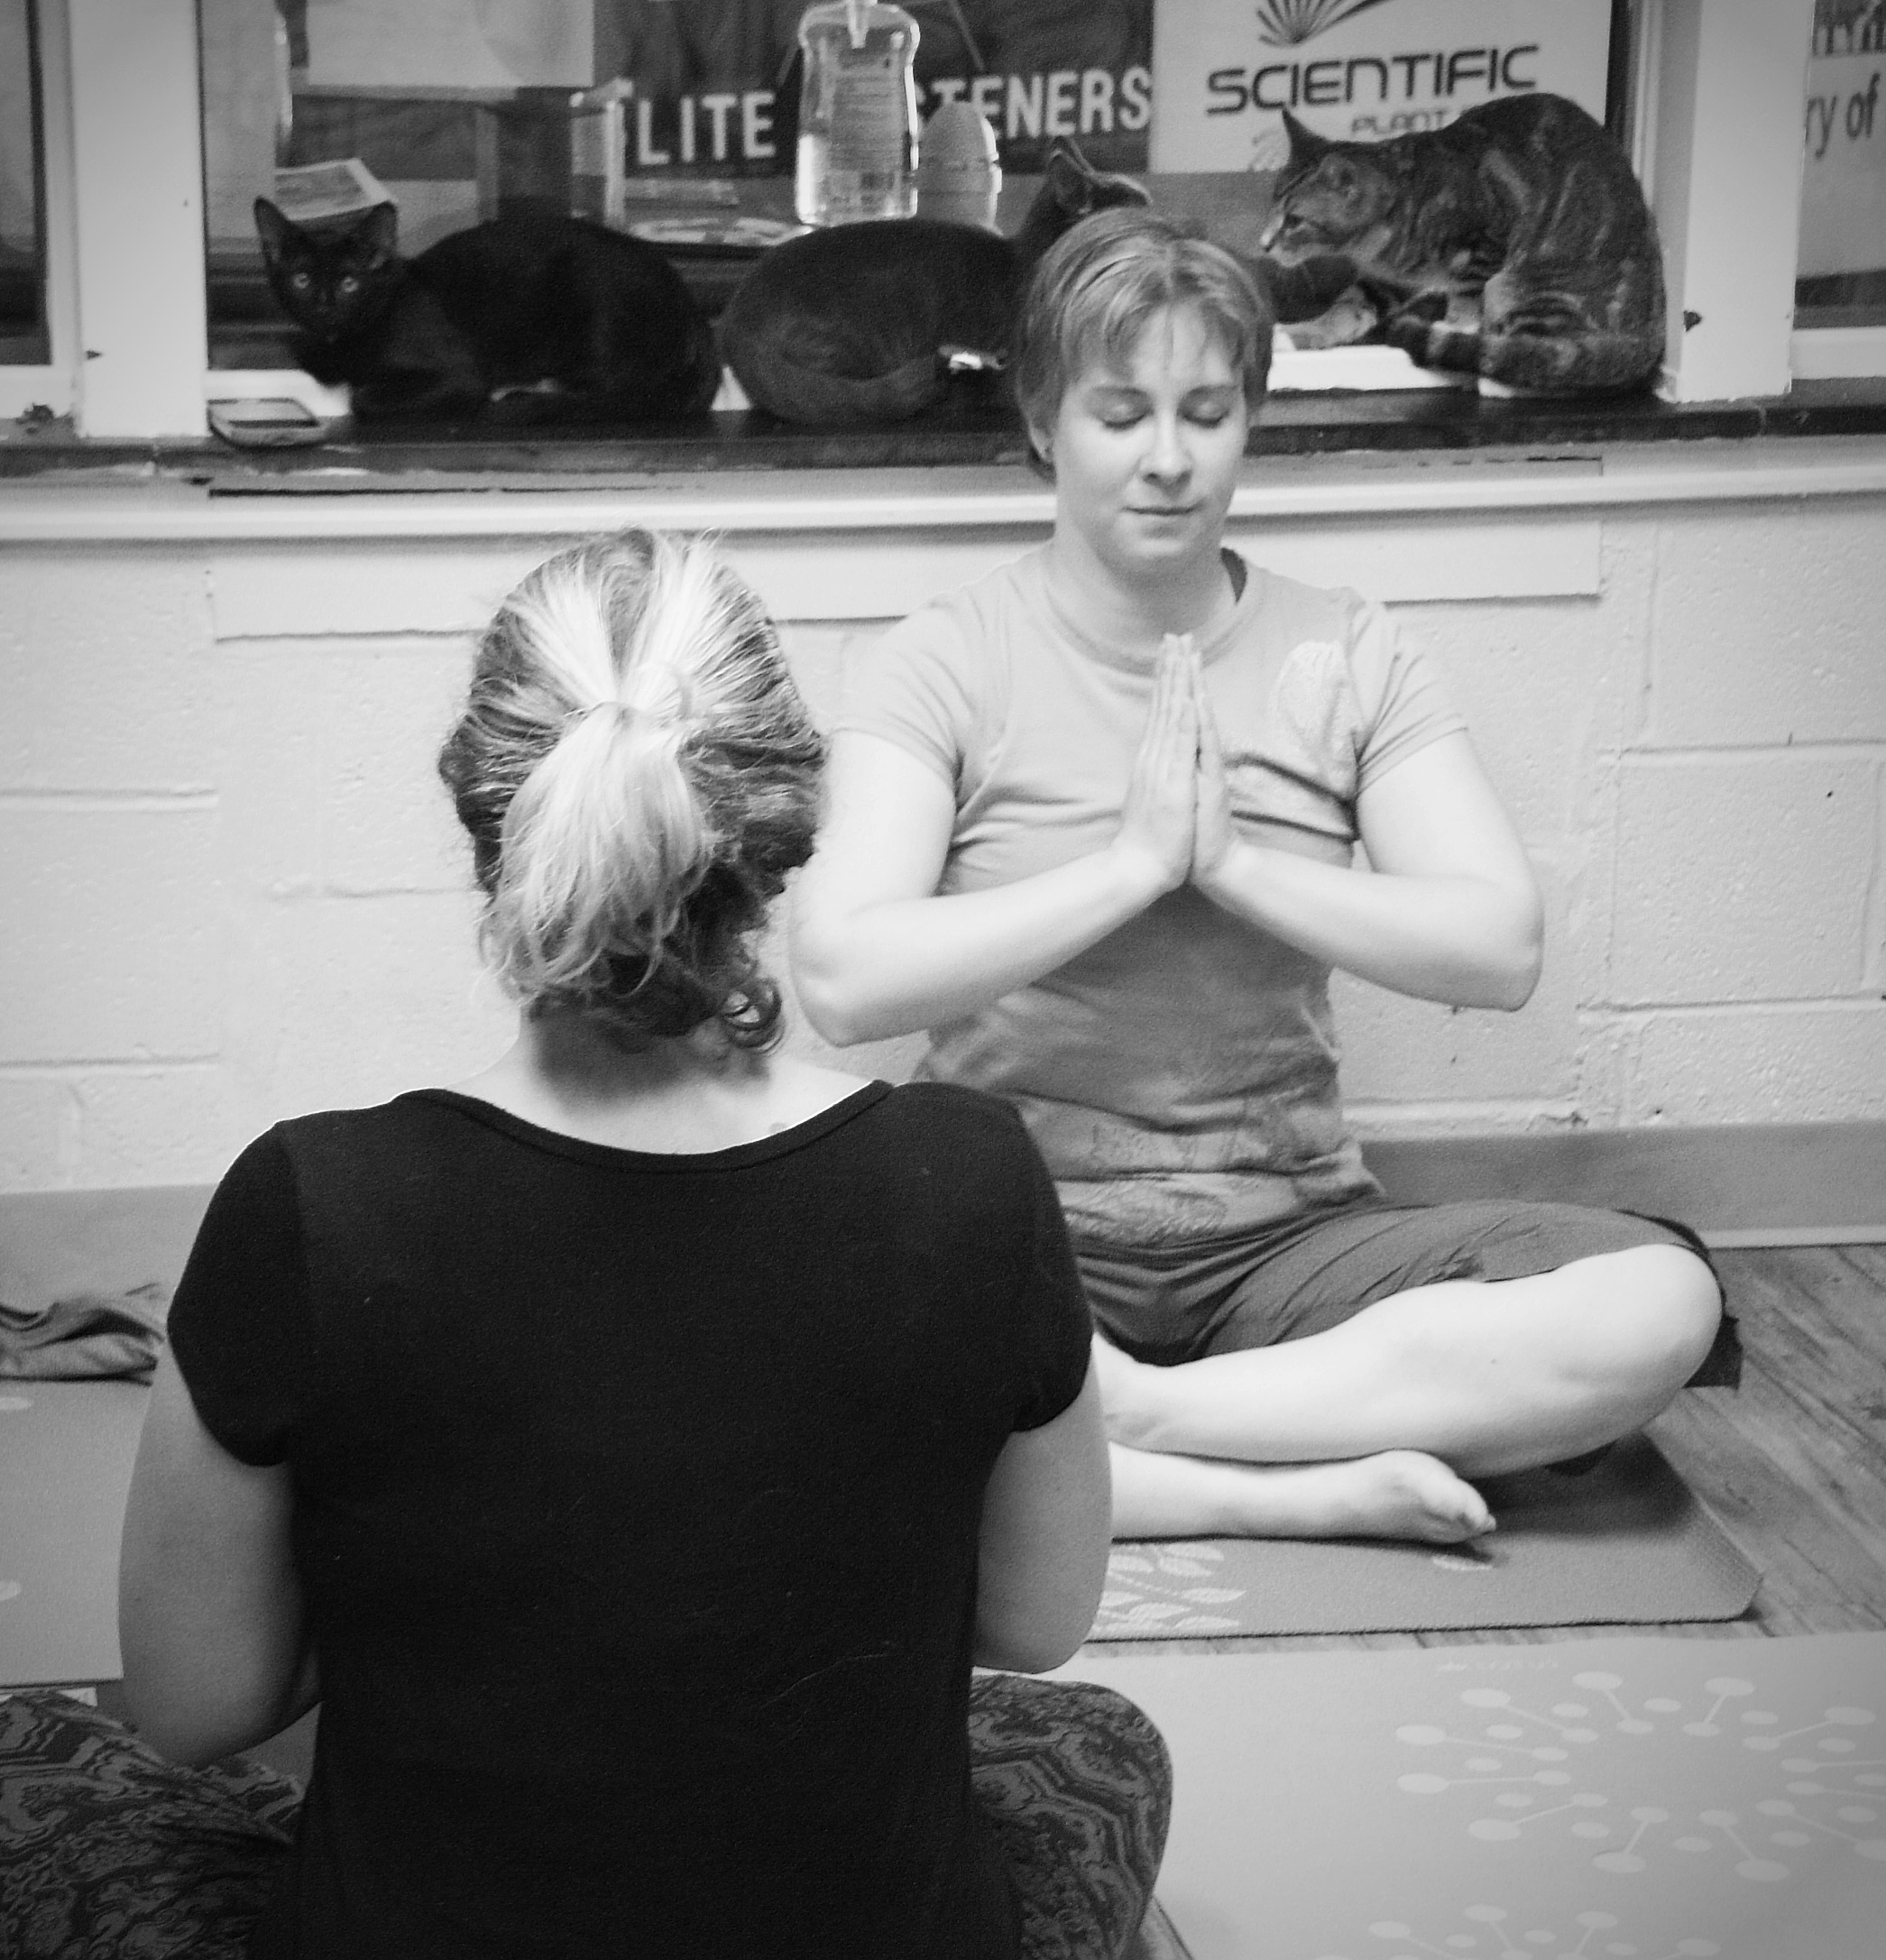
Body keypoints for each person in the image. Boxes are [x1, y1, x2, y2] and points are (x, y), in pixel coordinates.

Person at [1, 530, 1171, 1960]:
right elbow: (1038, 1621)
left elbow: (194, 1703)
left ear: (490, 826)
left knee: (33, 1757)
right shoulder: (973, 1177)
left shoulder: (307, 1203)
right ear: (776, 827)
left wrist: (405, 1597)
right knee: (1094, 1742)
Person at [791, 207, 1733, 1548]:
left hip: (1285, 1243)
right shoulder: (941, 659)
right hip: (1019, 1240)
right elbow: (841, 979)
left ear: (1250, 419)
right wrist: (1132, 866)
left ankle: (1140, 1423)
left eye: (1207, 412)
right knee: (771, 1314)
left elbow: (1499, 947)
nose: (1169, 460)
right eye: (1122, 414)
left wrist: (1229, 863)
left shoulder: (1347, 652)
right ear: (1044, 421)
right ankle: (1290, 1480)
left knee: (1661, 1302)